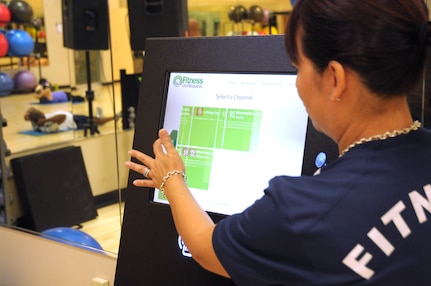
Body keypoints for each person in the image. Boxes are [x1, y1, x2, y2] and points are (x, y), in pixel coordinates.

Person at [125, 0, 431, 285]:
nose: (297, 82)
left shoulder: (304, 209)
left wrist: (171, 177)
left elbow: (205, 248)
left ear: (335, 79)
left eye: (299, 67)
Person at [24, 107, 119, 133]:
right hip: (75, 122)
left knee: (96, 119)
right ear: (39, 119)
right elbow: (62, 117)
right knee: (97, 121)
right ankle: (115, 117)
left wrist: (26, 115)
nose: (43, 113)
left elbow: (31, 109)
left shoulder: (42, 118)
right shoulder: (44, 125)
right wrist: (44, 121)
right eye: (41, 115)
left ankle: (100, 115)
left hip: (73, 116)